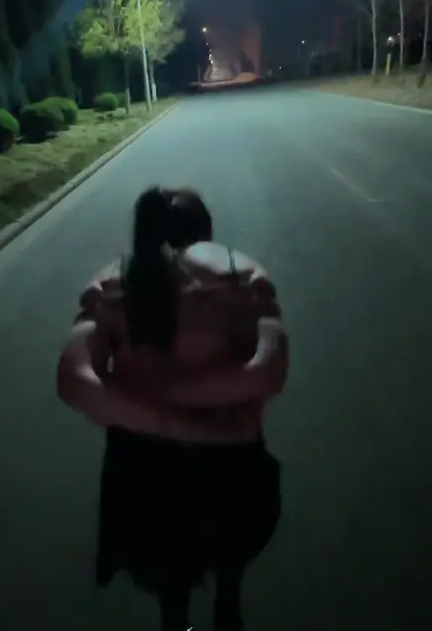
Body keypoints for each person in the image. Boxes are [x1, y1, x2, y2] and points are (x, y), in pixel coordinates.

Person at [57, 186, 289, 631]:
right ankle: (227, 604)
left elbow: (74, 381)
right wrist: (203, 425)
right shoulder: (241, 281)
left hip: (143, 464)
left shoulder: (109, 290)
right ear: (207, 232)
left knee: (170, 584)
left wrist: (156, 410)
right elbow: (268, 373)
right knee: (230, 554)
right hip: (230, 457)